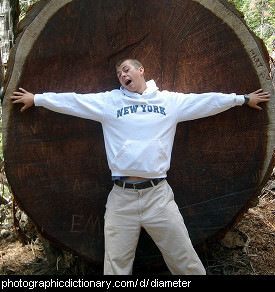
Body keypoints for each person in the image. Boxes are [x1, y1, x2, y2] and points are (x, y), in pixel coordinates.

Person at [11, 58, 271, 275]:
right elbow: (75, 101)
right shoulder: (109, 102)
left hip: (158, 196)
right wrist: (38, 99)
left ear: (141, 70)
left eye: (126, 69)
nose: (122, 75)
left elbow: (205, 101)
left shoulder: (169, 102)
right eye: (118, 73)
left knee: (185, 262)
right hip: (121, 198)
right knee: (115, 267)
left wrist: (242, 99)